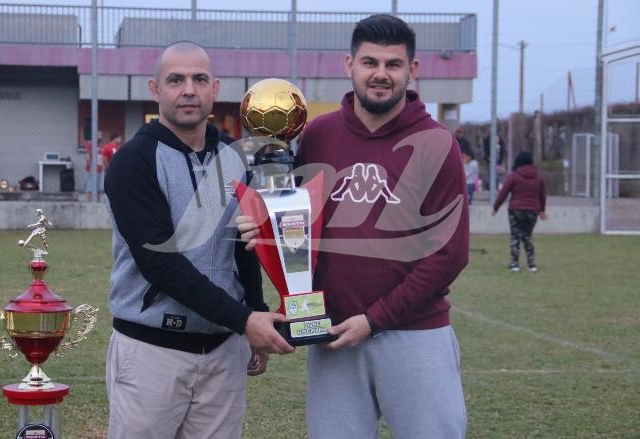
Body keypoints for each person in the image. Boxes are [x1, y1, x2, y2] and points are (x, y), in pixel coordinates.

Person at [239, 14, 469, 439]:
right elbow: (299, 230)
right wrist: (265, 230)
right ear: (349, 65)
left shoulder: (439, 144)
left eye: (393, 64)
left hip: (415, 334)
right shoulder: (318, 136)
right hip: (333, 334)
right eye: (370, 63)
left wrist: (376, 319)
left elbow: (449, 253)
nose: (380, 74)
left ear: (412, 71)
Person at [103, 41, 294, 439]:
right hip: (152, 351)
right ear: (155, 90)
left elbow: (245, 247)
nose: (188, 90)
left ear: (216, 88)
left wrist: (256, 313)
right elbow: (161, 264)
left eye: (199, 79)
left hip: (224, 352)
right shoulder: (133, 161)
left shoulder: (236, 157)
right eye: (176, 80)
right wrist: (246, 320)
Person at [492, 151, 547, 272]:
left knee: (515, 237)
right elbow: (542, 195)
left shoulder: (514, 176)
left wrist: (496, 207)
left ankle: (514, 264)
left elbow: (503, 193)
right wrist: (542, 210)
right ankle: (531, 264)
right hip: (533, 211)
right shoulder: (538, 177)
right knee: (527, 236)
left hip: (516, 210)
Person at [85, 132, 103, 201]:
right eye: (99, 135)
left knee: (98, 187)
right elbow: (88, 156)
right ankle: (89, 202)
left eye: (101, 135)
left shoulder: (100, 145)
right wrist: (90, 166)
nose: (100, 137)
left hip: (99, 169)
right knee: (90, 186)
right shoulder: (91, 144)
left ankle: (97, 202)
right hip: (92, 169)